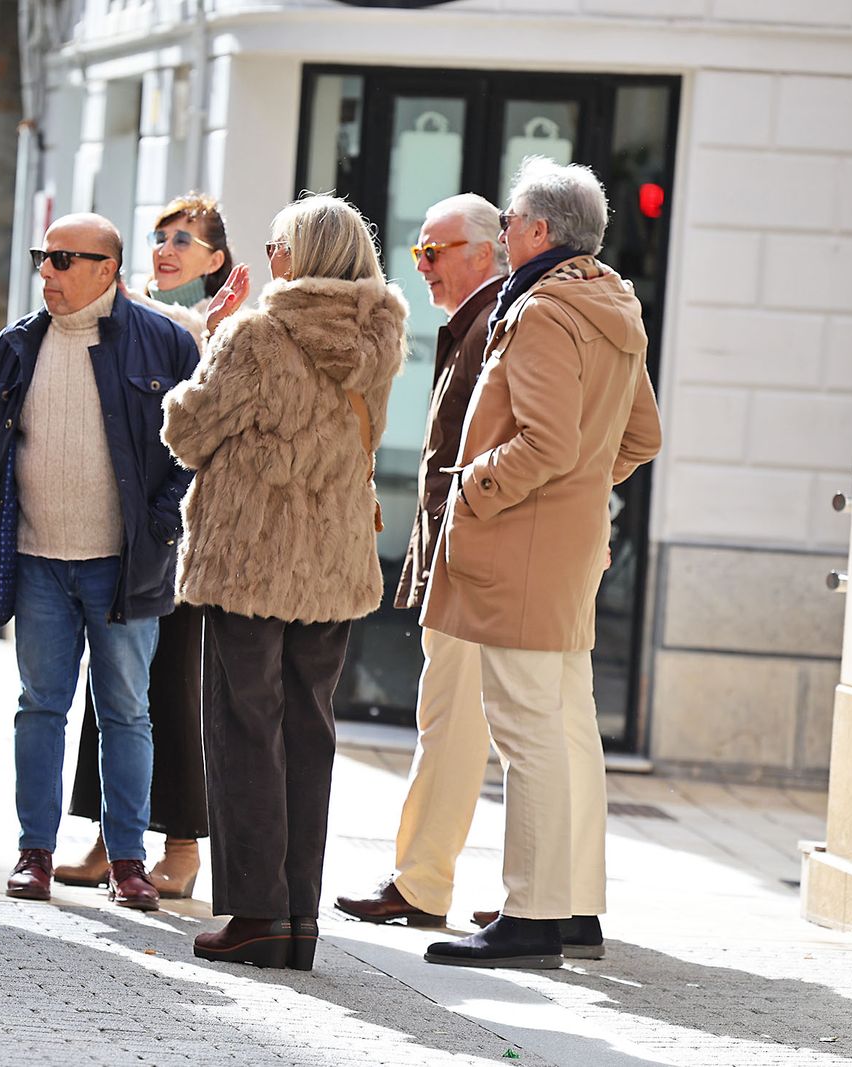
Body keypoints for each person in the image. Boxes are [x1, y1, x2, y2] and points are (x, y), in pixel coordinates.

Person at [422, 157, 661, 969]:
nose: (505, 229)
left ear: (540, 231)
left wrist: (479, 489)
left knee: (528, 731)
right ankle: (571, 910)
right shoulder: (611, 303)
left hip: (522, 549)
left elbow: (548, 442)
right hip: (563, 549)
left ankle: (531, 917)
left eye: (514, 218)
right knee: (561, 727)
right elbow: (638, 439)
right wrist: (580, 496)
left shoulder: (546, 310)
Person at [162, 194, 408, 970]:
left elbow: (188, 430)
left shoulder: (257, 334)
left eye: (276, 246)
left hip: (250, 557)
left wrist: (209, 335)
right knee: (309, 728)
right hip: (332, 561)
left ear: (299, 256)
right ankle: (299, 912)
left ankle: (258, 913)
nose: (267, 259)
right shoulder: (381, 336)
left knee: (243, 727)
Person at [0, 212, 199, 913]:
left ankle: (128, 858)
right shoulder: (19, 344)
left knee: (127, 710)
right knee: (40, 706)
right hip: (38, 558)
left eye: (65, 259)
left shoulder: (163, 342)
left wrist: (164, 520)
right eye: (45, 256)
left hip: (123, 561)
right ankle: (33, 850)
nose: (49, 271)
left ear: (107, 269)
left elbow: (195, 443)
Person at [54, 192, 233, 898]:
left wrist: (202, 327)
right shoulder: (122, 319)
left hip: (183, 532)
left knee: (171, 686)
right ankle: (110, 833)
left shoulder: (227, 327)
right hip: (117, 528)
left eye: (184, 240)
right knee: (110, 686)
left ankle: (183, 846)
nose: (166, 248)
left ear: (216, 261)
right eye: (160, 236)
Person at [336, 194, 506, 927]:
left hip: (479, 558)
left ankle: (424, 882)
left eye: (433, 252)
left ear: (483, 251)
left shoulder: (500, 322)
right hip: (477, 552)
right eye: (417, 253)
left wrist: (470, 507)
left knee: (455, 723)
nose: (423, 266)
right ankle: (532, 896)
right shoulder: (480, 322)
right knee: (498, 726)